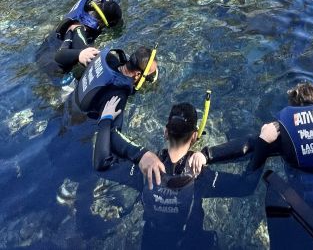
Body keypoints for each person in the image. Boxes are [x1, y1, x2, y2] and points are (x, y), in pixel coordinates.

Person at [93, 96, 263, 249]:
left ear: (165, 132)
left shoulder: (145, 170)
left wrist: (106, 120)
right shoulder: (200, 176)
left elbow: (102, 163)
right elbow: (245, 186)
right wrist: (209, 155)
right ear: (195, 136)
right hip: (192, 244)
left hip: (152, 243)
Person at [35, 0, 137, 82]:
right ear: (103, 23)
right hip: (51, 66)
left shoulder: (90, 4)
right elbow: (61, 57)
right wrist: (81, 54)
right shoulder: (79, 30)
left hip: (47, 45)